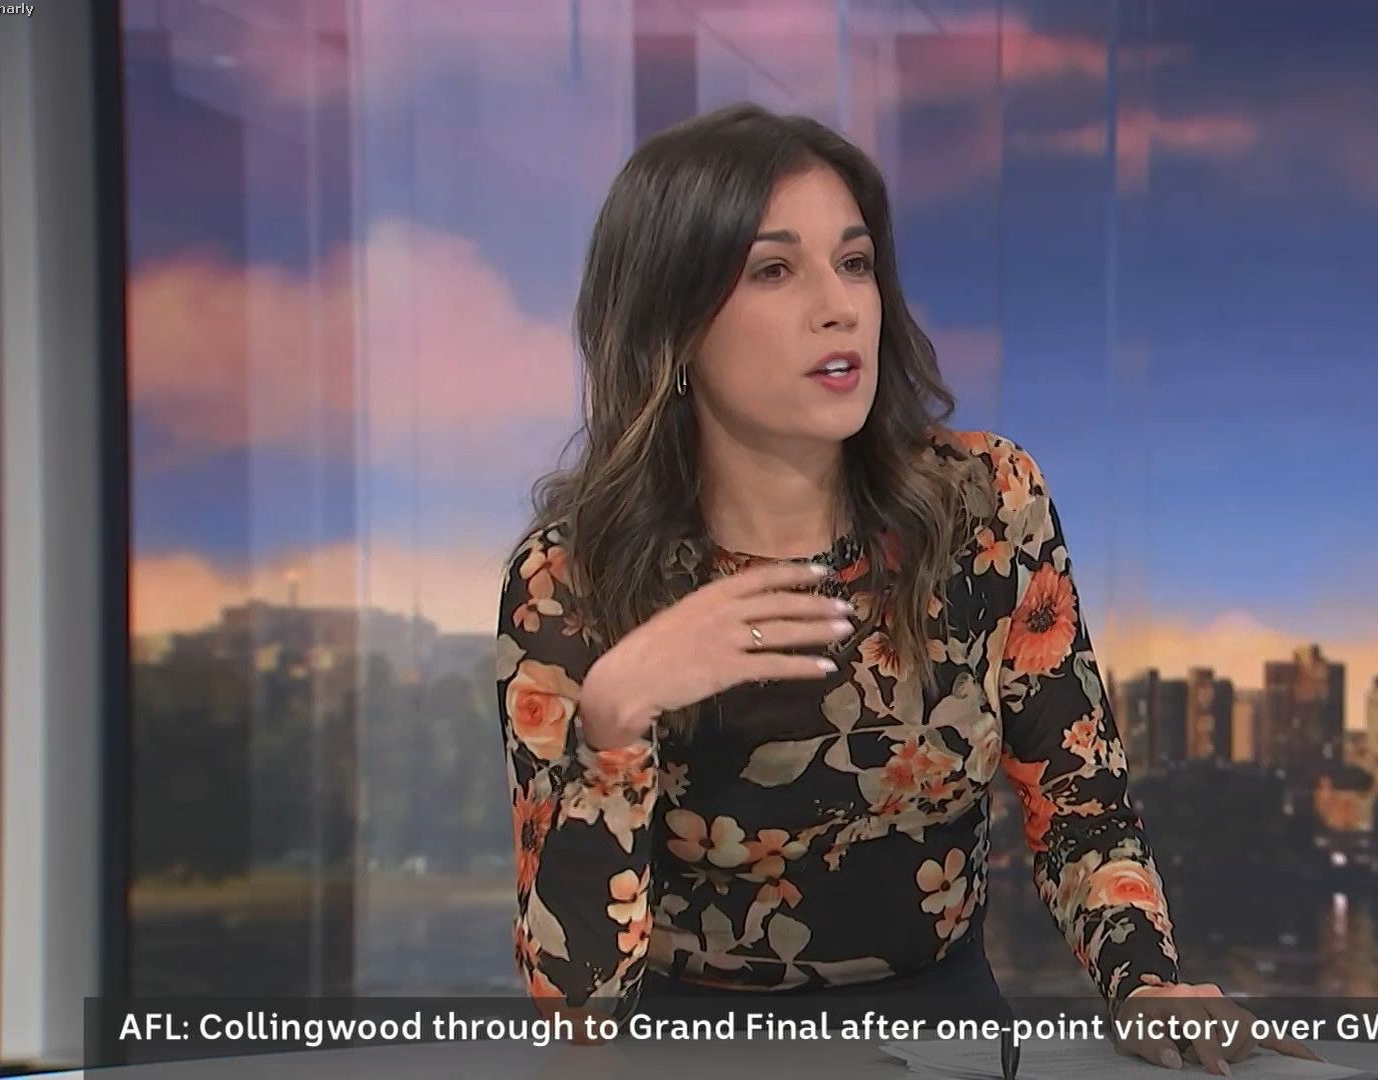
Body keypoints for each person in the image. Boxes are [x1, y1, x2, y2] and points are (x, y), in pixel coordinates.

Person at [494, 101, 1319, 1075]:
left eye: (854, 263)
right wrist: (613, 723)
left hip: (948, 1036)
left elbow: (1079, 801)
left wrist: (1144, 981)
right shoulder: (570, 579)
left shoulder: (987, 504)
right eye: (773, 271)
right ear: (670, 323)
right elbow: (577, 1006)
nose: (839, 306)